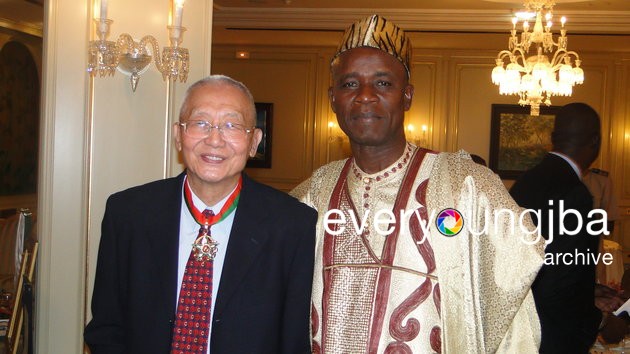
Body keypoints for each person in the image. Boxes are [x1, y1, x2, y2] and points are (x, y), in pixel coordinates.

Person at [291, 14, 544, 353]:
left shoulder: (465, 186)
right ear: (333, 98)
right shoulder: (312, 194)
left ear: (407, 97)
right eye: (350, 84)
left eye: (383, 83)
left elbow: (517, 263)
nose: (365, 96)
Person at [84, 75, 317, 354]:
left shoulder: (292, 225)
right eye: (200, 123)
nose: (214, 139)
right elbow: (107, 329)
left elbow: (293, 343)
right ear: (178, 135)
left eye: (231, 125)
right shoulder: (128, 214)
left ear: (254, 142)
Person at [510, 102, 627, 352]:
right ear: (595, 142)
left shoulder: (525, 182)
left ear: (553, 138)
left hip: (521, 330)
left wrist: (590, 289)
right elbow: (557, 288)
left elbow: (542, 266)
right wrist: (604, 322)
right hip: (554, 338)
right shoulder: (576, 194)